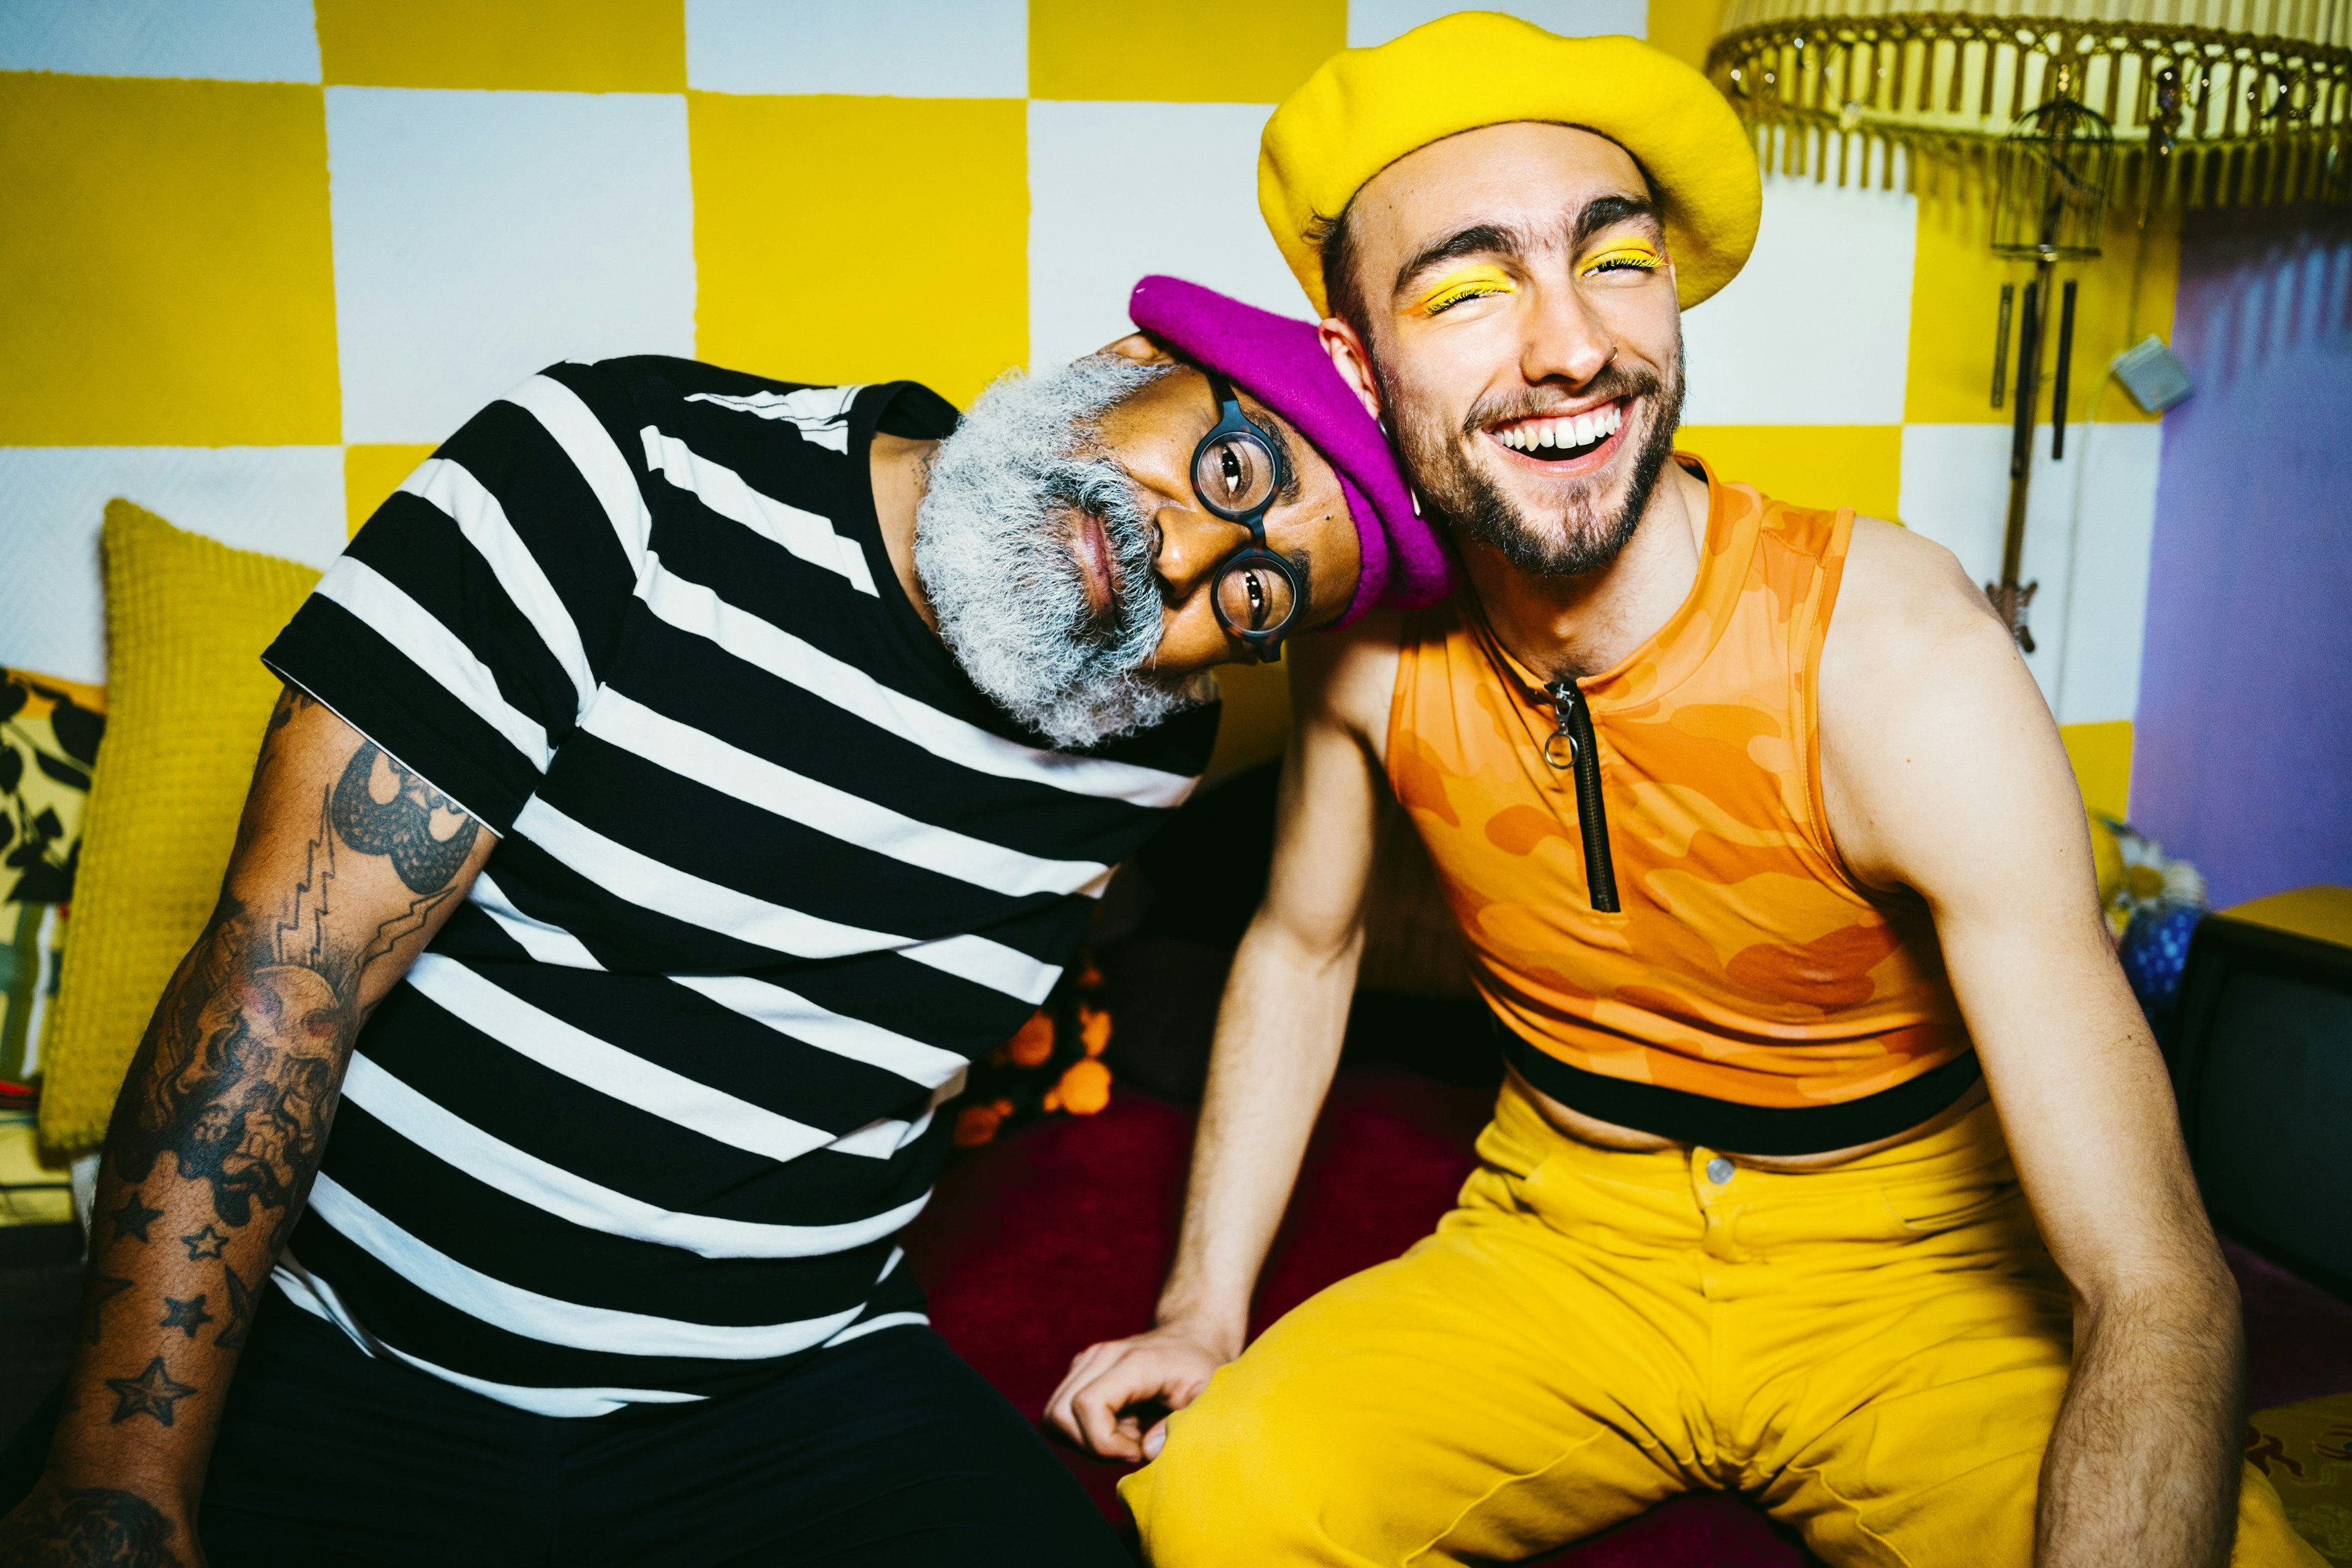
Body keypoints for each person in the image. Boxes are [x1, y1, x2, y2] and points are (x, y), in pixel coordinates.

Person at [1049, 16, 2323, 1568]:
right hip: (1566, 1233)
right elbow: (1303, 947)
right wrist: (1201, 1306)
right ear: (1355, 361)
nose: (1572, 342)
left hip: (1916, 1262)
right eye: (1463, 285)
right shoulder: (1368, 645)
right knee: (1220, 1502)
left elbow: (2157, 1272)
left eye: (1618, 259)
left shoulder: (1901, 654)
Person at [0, 279, 1441, 1566]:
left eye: (1253, 591)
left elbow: (1317, 904)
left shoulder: (1143, 729)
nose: (1180, 556)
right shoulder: (618, 477)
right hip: (349, 1357)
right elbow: (284, 966)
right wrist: (117, 1485)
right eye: (1228, 463)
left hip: (782, 1390)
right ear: (1135, 357)